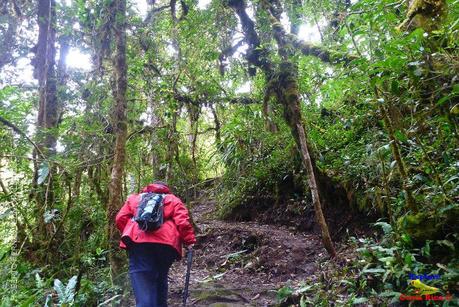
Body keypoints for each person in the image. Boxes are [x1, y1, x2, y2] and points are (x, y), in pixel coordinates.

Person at [115, 181, 196, 307]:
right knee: (160, 276)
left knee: (143, 280)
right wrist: (189, 241)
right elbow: (183, 222)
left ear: (148, 188)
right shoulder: (172, 199)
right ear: (166, 189)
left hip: (139, 243)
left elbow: (120, 218)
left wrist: (131, 233)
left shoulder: (136, 198)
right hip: (167, 245)